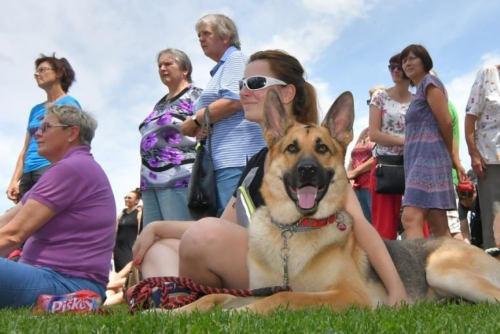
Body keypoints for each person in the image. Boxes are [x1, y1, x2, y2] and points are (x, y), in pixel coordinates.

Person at [133, 49, 408, 306]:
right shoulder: (256, 162)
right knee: (161, 247)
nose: (243, 92)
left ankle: (187, 297)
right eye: (241, 85)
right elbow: (220, 227)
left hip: (297, 262)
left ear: (286, 92)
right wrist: (157, 228)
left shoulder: (314, 154)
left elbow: (360, 224)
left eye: (254, 83)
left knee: (201, 234)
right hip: (264, 257)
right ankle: (174, 302)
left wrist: (396, 289)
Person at [0, 105, 116, 308]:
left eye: (45, 127)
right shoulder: (69, 168)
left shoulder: (72, 168)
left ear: (72, 132)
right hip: (57, 278)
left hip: (67, 282)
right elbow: (8, 220)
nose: (37, 133)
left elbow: (12, 234)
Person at [181, 14, 266, 213]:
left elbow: (235, 101)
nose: (200, 39)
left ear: (225, 36)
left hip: (236, 158)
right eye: (199, 35)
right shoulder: (222, 69)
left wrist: (195, 120)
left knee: (234, 226)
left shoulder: (235, 59)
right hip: (224, 159)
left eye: (206, 33)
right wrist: (204, 125)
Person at [400, 44, 465, 239]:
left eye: (412, 58)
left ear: (424, 60)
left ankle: (417, 268)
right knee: (438, 226)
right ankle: (449, 268)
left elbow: (446, 122)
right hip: (419, 159)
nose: (407, 63)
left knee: (410, 218)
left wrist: (451, 156)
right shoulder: (421, 88)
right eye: (404, 61)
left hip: (429, 159)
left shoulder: (430, 82)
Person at [140, 48, 202, 225]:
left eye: (168, 63)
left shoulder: (196, 95)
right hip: (150, 182)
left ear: (185, 70)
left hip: (178, 179)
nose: (162, 68)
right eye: (159, 65)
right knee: (154, 241)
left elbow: (208, 128)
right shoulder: (159, 104)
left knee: (178, 239)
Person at [7, 54, 81, 203]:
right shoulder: (35, 110)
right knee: (26, 222)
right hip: (27, 173)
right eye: (36, 71)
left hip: (49, 168)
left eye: (42, 70)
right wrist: (14, 180)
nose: (36, 74)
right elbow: (25, 148)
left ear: (59, 73)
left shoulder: (69, 103)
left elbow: (76, 142)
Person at [368, 54, 411, 239]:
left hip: (413, 166)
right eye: (391, 66)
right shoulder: (380, 96)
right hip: (387, 166)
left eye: (398, 66)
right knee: (384, 227)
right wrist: (405, 141)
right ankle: (384, 267)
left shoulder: (419, 100)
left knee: (417, 222)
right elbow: (374, 134)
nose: (394, 70)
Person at [464, 64, 500, 249]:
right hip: (491, 159)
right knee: (494, 219)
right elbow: (470, 118)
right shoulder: (488, 73)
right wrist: (474, 155)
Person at [347, 127, 374, 222]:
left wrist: (355, 172)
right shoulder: (364, 131)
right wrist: (349, 180)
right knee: (363, 221)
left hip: (372, 185)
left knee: (376, 221)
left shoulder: (380, 134)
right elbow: (352, 158)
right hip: (358, 187)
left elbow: (376, 158)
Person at [113, 189, 142, 272]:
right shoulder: (121, 213)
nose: (126, 199)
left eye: (129, 198)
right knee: (119, 273)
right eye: (125, 197)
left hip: (131, 249)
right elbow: (115, 231)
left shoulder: (139, 213)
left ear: (136, 201)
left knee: (130, 274)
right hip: (118, 249)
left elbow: (140, 233)